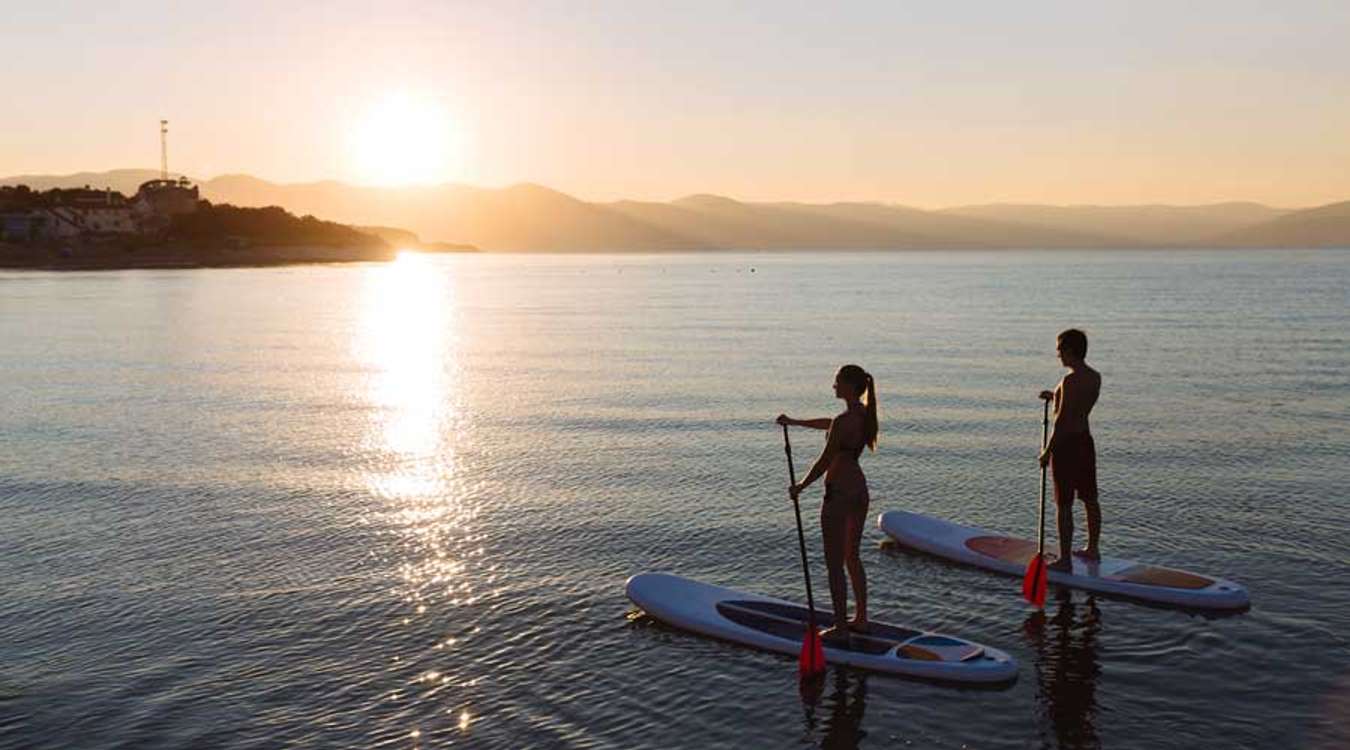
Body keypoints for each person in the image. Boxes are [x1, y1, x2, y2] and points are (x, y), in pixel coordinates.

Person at [777, 365, 878, 642]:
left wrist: (800, 486)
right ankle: (860, 620)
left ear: (847, 385)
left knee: (835, 564)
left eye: (836, 382)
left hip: (839, 496)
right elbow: (830, 424)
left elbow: (824, 461)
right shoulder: (862, 414)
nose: (833, 386)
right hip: (859, 492)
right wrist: (795, 422)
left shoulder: (845, 421)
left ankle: (841, 630)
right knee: (852, 557)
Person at [1038, 329, 1102, 571]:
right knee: (1090, 498)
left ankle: (1065, 560)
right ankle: (1093, 548)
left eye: (1060, 349)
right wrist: (1054, 396)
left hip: (1066, 446)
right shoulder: (1095, 377)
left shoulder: (1069, 381)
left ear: (1070, 350)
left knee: (1064, 504)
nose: (1057, 355)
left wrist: (1047, 452)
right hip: (1085, 441)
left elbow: (1062, 421)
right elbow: (1077, 407)